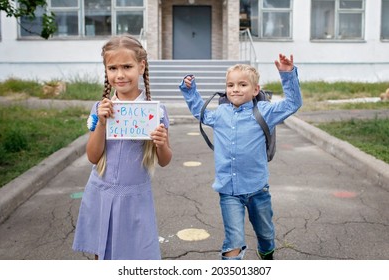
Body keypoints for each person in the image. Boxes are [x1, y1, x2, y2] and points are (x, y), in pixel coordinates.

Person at [179, 54, 302, 260]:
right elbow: (200, 113)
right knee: (233, 240)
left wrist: (287, 74)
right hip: (229, 191)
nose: (235, 89)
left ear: (255, 90)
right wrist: (190, 90)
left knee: (265, 234)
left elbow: (292, 104)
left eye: (242, 84)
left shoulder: (264, 111)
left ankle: (266, 254)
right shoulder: (220, 113)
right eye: (230, 85)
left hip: (257, 189)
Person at [72, 35, 172, 260]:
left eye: (127, 66)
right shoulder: (100, 108)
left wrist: (161, 142)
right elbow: (92, 156)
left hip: (135, 198)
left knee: (136, 257)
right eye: (113, 68)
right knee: (103, 254)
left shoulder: (156, 111)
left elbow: (165, 160)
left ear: (141, 66)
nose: (120, 74)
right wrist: (102, 124)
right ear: (106, 70)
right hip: (101, 193)